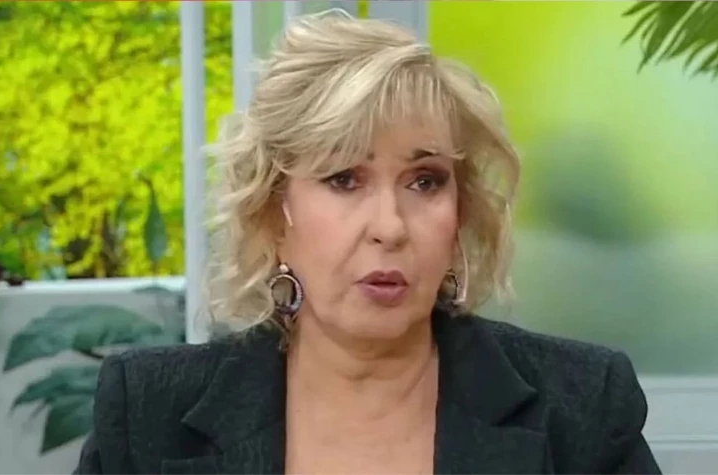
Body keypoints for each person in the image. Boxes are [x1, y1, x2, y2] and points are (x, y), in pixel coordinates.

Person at [74, 10, 662, 475]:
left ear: (460, 210)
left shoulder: (581, 407)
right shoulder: (149, 414)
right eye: (344, 179)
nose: (390, 226)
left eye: (425, 181)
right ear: (274, 211)